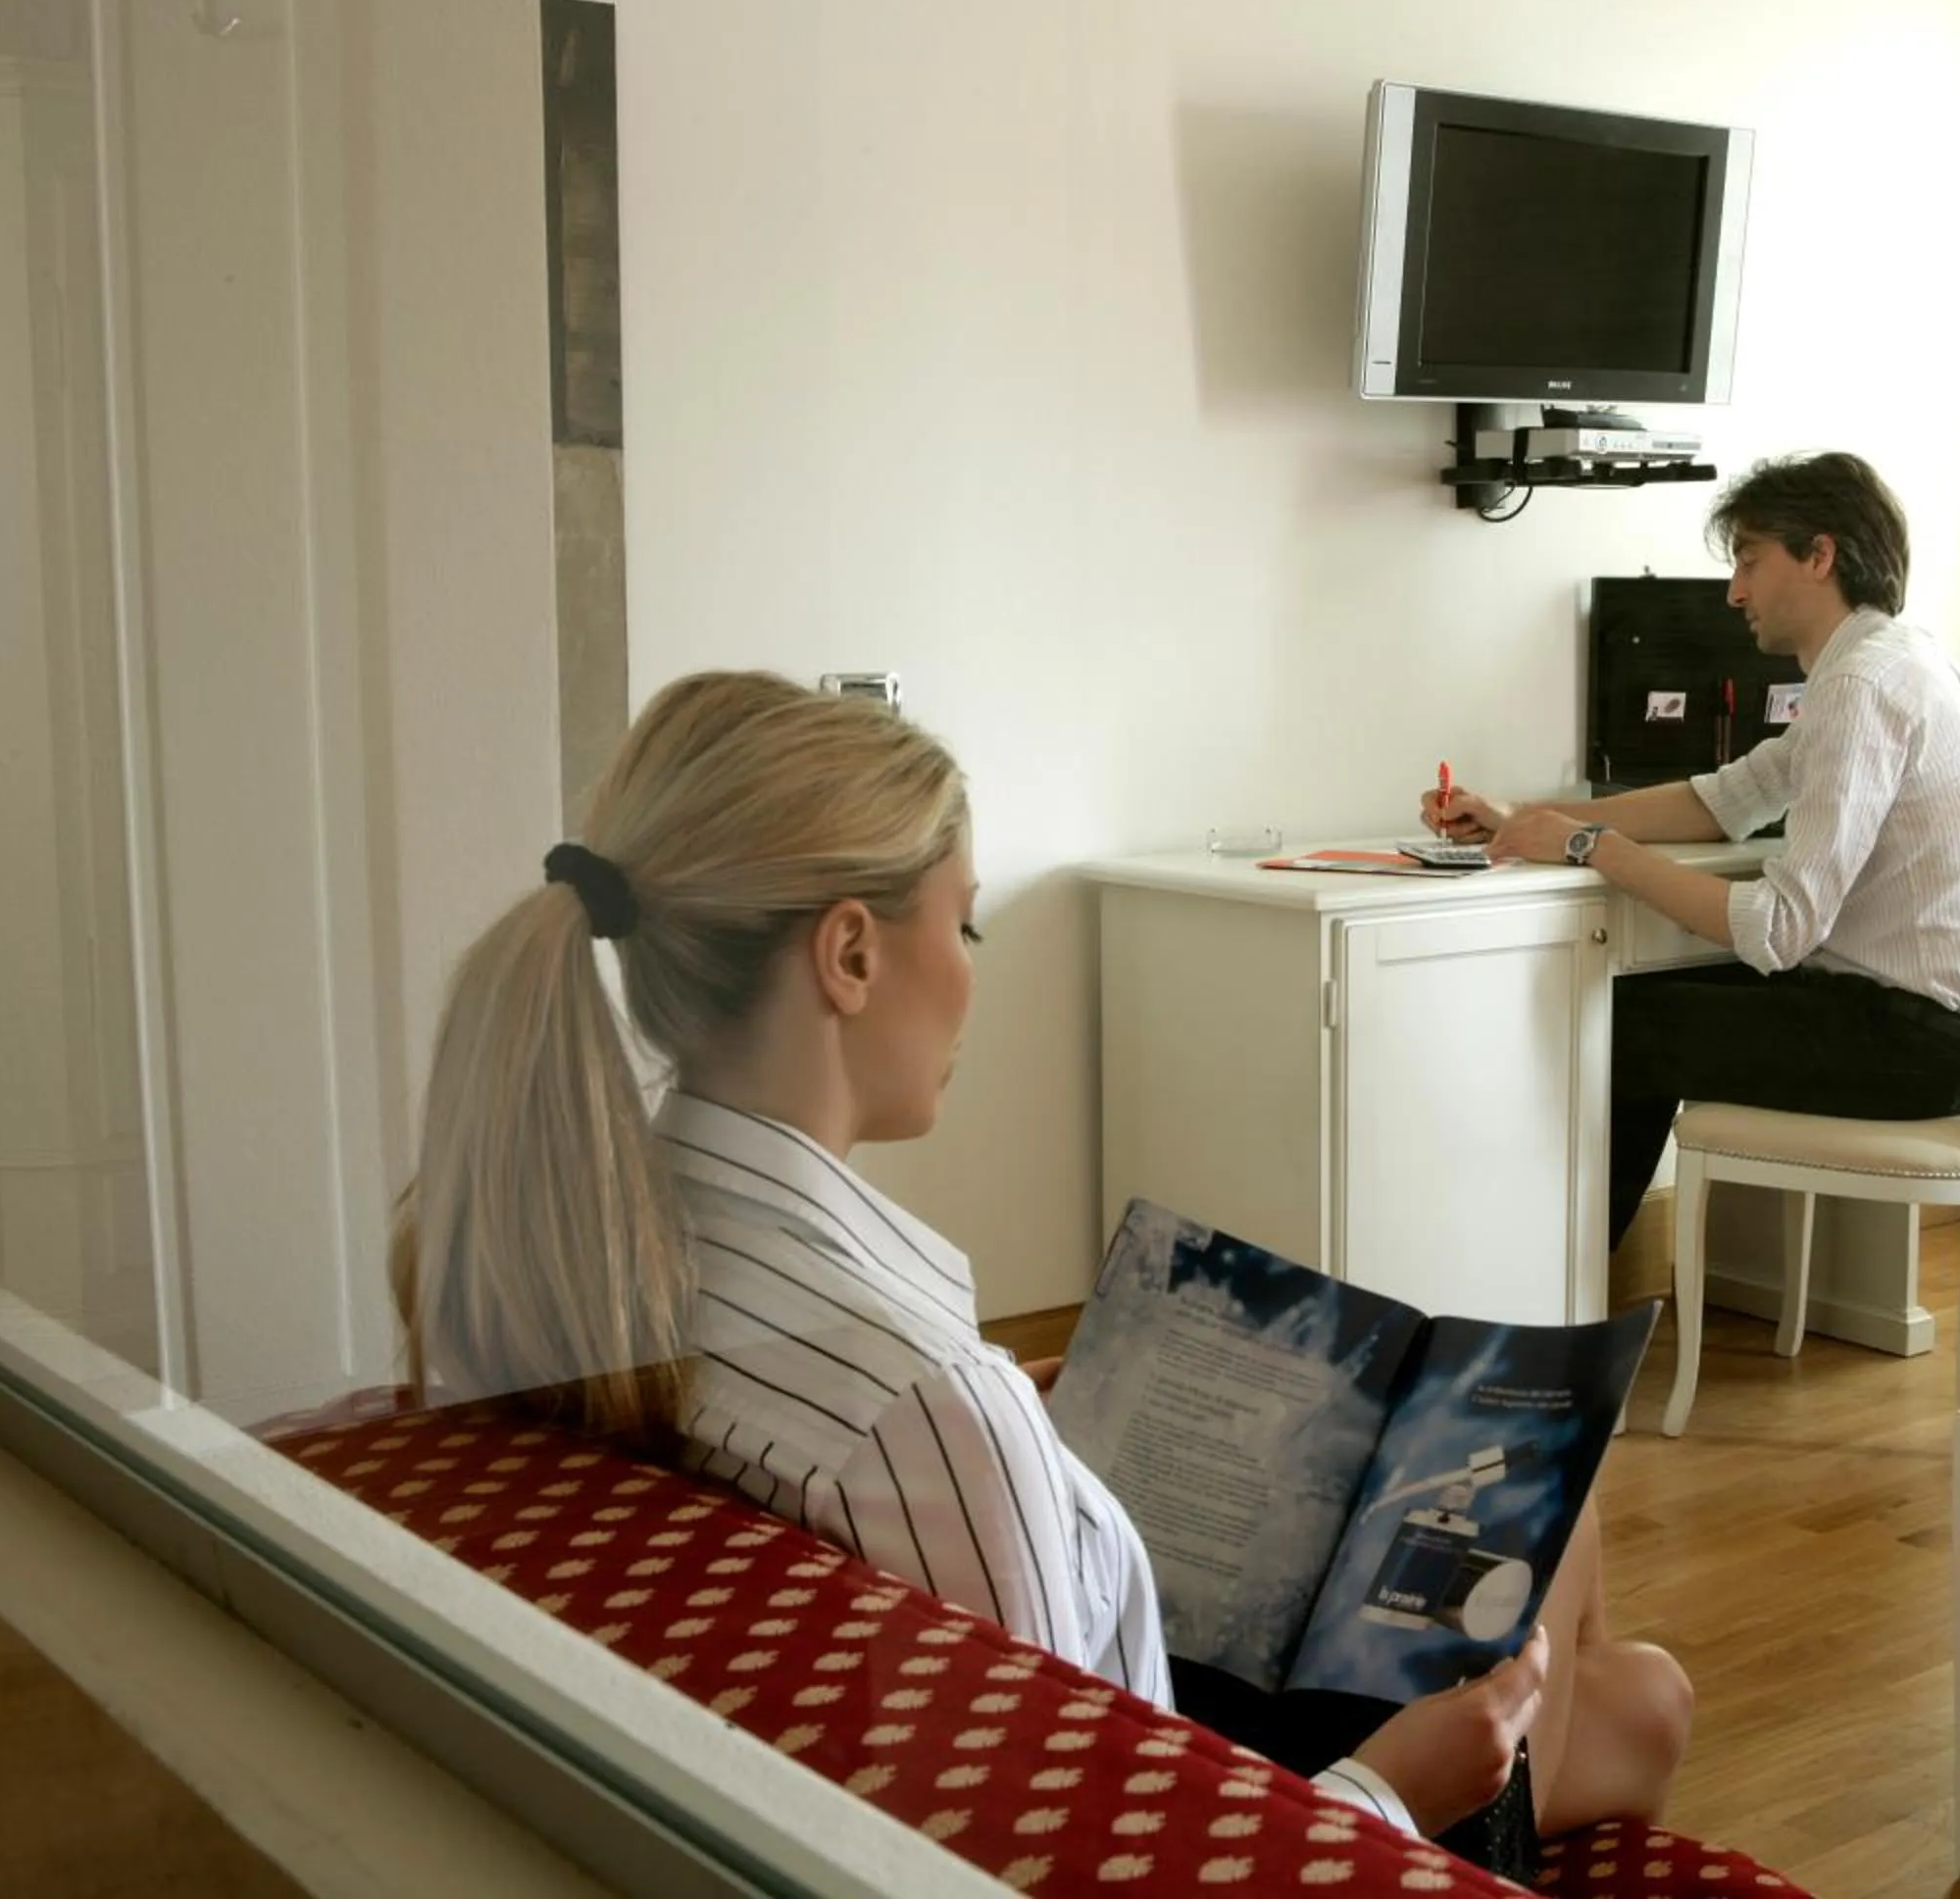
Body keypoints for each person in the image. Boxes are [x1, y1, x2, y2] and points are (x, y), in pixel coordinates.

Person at [390, 671, 1690, 1873]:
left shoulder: (612, 1242)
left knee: (1629, 1681)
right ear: (848, 956)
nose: (972, 969)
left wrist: (1018, 1426)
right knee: (1597, 1610)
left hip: (979, 1730)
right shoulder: (924, 1400)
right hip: (1228, 1826)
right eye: (963, 923)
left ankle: (1588, 1745)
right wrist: (1394, 1792)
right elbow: (1082, 1846)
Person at [1425, 453, 1960, 1253]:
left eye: (1748, 560)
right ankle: (1562, 1274)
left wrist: (1587, 846)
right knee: (1656, 1000)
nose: (1734, 591)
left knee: (1618, 1020)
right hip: (1935, 1027)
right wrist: (1518, 816)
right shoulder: (1895, 660)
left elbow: (1779, 929)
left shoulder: (1860, 688)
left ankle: (1553, 1282)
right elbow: (1722, 802)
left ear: (1820, 555)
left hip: (1915, 1045)